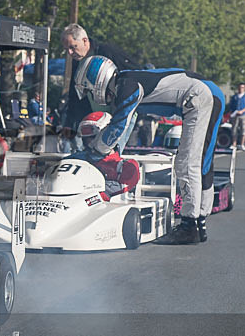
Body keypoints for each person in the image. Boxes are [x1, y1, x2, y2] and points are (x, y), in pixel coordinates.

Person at [74, 56, 224, 244]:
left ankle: (189, 226)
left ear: (97, 81)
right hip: (198, 96)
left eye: (88, 89)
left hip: (197, 98)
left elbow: (119, 125)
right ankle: (199, 223)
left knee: (187, 163)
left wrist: (96, 150)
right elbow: (125, 124)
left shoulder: (126, 86)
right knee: (200, 163)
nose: (90, 93)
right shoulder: (126, 83)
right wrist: (112, 150)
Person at [59, 23, 140, 139]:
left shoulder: (107, 51)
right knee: (94, 155)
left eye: (73, 47)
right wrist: (69, 123)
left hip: (119, 116)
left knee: (110, 154)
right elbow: (75, 93)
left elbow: (135, 74)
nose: (70, 53)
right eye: (67, 49)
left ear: (85, 40)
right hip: (94, 120)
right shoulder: (77, 61)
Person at [77, 111, 140, 198]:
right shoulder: (76, 159)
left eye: (92, 137)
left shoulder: (126, 166)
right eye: (86, 139)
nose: (89, 142)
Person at [229, 83, 245, 151]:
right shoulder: (234, 97)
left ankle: (242, 144)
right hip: (235, 115)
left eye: (242, 87)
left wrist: (242, 111)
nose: (240, 89)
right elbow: (231, 106)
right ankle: (234, 144)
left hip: (243, 115)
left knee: (243, 129)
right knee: (234, 129)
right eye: (239, 87)